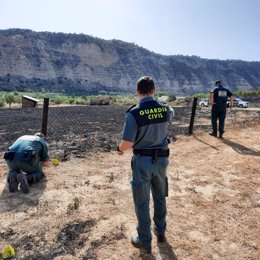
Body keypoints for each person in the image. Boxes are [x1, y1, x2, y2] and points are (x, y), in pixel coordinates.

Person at [117, 76, 173, 254]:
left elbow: (127, 142)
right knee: (160, 196)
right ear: (154, 90)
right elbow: (169, 116)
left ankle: (144, 240)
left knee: (142, 201)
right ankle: (161, 232)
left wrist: (119, 150)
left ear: (137, 91)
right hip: (162, 160)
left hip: (142, 162)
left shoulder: (134, 113)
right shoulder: (165, 109)